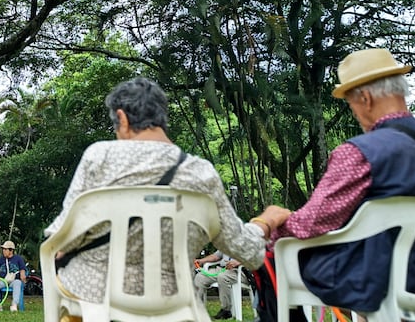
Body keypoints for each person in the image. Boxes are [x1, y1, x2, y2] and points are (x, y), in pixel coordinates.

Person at [253, 49, 415, 317]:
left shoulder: (359, 152)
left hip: (373, 278)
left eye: (351, 104)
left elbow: (311, 223)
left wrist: (271, 224)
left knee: (275, 255)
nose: (354, 113)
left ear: (365, 97)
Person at [45, 77, 267, 304]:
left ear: (121, 118)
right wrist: (263, 223)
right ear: (162, 117)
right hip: (170, 303)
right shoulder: (201, 173)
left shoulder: (98, 157)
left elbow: (62, 239)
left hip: (94, 301)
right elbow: (249, 251)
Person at [193, 251, 248, 320]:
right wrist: (201, 261)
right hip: (223, 269)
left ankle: (226, 311)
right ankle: (199, 309)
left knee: (222, 277)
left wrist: (238, 262)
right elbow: (216, 256)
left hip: (240, 271)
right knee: (200, 277)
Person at [0, 240, 28, 312]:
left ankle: (14, 305)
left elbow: (22, 269)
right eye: (3, 249)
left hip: (14, 280)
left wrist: (23, 277)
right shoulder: (1, 259)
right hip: (2, 280)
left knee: (17, 283)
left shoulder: (18, 259)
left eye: (5, 249)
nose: (3, 251)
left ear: (11, 250)